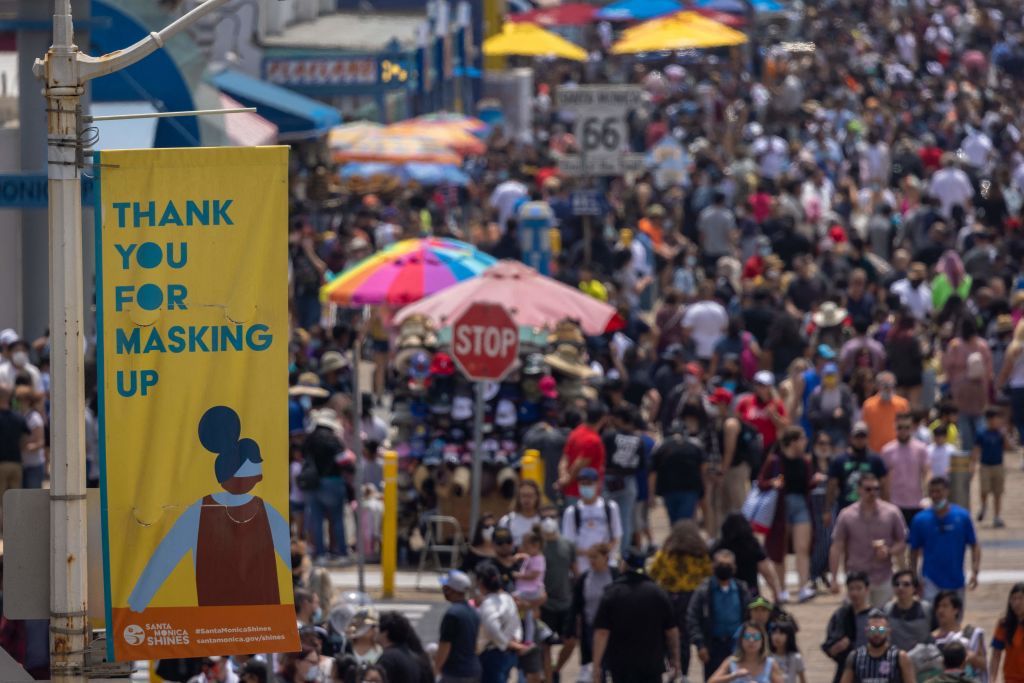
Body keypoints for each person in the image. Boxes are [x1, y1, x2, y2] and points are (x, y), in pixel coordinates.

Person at [591, 549, 681, 683]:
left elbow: (602, 633)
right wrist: (675, 659)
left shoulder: (611, 594)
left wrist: (596, 665)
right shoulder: (658, 593)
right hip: (652, 666)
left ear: (624, 565)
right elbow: (671, 631)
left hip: (621, 667)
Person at [757, 426, 818, 604]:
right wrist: (772, 483)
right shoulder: (775, 461)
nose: (805, 442)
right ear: (792, 442)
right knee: (779, 549)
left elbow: (807, 484)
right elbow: (761, 482)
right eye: (801, 439)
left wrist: (814, 482)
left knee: (802, 547)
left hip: (800, 506)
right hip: (780, 509)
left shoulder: (805, 462)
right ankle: (782, 589)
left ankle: (803, 587)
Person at [830, 472, 907, 607]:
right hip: (856, 578)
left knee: (880, 622)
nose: (872, 493)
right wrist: (834, 579)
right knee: (855, 620)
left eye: (876, 489)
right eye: (868, 489)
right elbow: (837, 546)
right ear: (859, 490)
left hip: (882, 577)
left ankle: (879, 630)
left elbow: (902, 541)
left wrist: (889, 551)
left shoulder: (891, 512)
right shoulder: (847, 515)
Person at [649, 519, 713, 679]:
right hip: (690, 599)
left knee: (665, 636)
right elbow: (709, 575)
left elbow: (652, 573)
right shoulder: (700, 555)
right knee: (684, 639)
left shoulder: (666, 553)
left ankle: (670, 668)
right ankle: (684, 672)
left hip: (667, 598)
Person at [909, 477, 980, 602]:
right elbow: (913, 550)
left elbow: (974, 545)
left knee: (954, 619)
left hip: (956, 580)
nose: (935, 495)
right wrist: (914, 577)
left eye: (938, 491)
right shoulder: (920, 520)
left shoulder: (962, 517)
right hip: (930, 580)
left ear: (947, 491)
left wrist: (975, 571)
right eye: (931, 492)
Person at [687, 549, 753, 680]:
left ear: (734, 568)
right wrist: (700, 644)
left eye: (728, 565)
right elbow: (692, 617)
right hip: (713, 647)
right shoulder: (704, 591)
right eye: (720, 565)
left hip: (737, 646)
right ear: (713, 566)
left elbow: (750, 616)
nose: (724, 569)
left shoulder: (741, 589)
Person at [302, 407, 350, 562]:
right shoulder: (333, 439)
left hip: (312, 483)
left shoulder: (309, 439)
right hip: (332, 482)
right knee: (337, 519)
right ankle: (341, 553)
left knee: (316, 521)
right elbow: (342, 460)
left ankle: (320, 554)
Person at [601, 404, 647, 554]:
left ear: (619, 419)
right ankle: (623, 553)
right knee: (625, 520)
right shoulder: (638, 439)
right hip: (629, 481)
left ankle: (607, 552)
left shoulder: (609, 435)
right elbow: (641, 465)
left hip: (609, 480)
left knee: (605, 518)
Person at [538, 504, 576, 683]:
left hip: (566, 603)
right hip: (545, 605)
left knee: (571, 642)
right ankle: (548, 678)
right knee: (544, 646)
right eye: (545, 517)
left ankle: (555, 669)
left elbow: (576, 573)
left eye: (552, 516)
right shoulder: (538, 546)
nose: (549, 520)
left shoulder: (568, 545)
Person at [712, 513, 784, 604]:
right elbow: (767, 573)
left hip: (723, 595)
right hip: (750, 594)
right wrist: (776, 593)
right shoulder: (753, 546)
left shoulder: (718, 547)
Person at [571, 543, 618, 680]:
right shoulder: (584, 578)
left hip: (614, 629)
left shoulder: (615, 575)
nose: (591, 561)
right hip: (592, 628)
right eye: (589, 557)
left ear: (605, 557)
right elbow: (576, 606)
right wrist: (573, 629)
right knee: (597, 667)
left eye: (595, 557)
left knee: (614, 666)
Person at [561, 467, 622, 573]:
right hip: (583, 568)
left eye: (589, 483)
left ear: (597, 483)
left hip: (607, 566)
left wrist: (601, 554)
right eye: (582, 484)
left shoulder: (610, 507)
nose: (586, 487)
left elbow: (616, 536)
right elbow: (568, 545)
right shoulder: (572, 512)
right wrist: (590, 554)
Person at [475, 563, 529, 683]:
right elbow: (517, 624)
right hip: (508, 654)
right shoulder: (508, 598)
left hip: (493, 654)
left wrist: (507, 643)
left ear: (480, 582)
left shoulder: (488, 603)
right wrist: (516, 639)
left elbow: (492, 628)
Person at [649, 420, 707, 523]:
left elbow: (653, 473)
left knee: (674, 520)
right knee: (684, 520)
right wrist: (703, 490)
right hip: (689, 489)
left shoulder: (661, 447)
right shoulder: (695, 445)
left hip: (669, 489)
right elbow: (703, 469)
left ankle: (679, 537)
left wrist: (651, 494)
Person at [827, 422, 889, 516]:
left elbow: (884, 486)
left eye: (863, 437)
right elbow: (832, 486)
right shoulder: (839, 460)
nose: (860, 440)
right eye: (857, 437)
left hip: (871, 511)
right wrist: (827, 510)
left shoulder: (876, 460)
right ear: (851, 438)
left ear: (867, 438)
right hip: (846, 510)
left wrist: (886, 507)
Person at [822, 572, 875, 683]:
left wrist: (873, 630)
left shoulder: (876, 615)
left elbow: (885, 632)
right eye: (851, 589)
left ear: (867, 589)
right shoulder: (841, 615)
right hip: (845, 670)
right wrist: (837, 647)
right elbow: (829, 645)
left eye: (859, 588)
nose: (855, 593)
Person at [879, 412, 929, 527]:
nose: (903, 431)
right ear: (895, 427)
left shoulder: (921, 449)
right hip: (895, 504)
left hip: (917, 503)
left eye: (907, 427)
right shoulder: (887, 450)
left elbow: (926, 473)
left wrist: (927, 496)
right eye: (900, 427)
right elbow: (883, 480)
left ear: (912, 428)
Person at [839, 609, 916, 683]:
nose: (876, 634)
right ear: (866, 631)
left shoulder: (900, 658)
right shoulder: (855, 657)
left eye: (881, 629)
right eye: (873, 629)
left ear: (888, 631)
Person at [435, 570, 482, 683]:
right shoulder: (473, 612)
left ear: (451, 590)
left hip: (455, 673)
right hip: (473, 670)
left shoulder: (452, 614)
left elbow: (445, 646)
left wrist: (435, 670)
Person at [932, 590, 988, 682]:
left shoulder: (972, 634)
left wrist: (972, 658)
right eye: (938, 606)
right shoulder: (932, 639)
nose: (940, 610)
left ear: (956, 610)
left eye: (945, 606)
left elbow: (983, 664)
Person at [557, 403, 608, 504]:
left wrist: (563, 477)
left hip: (571, 491)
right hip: (585, 496)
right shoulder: (593, 440)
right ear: (603, 419)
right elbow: (579, 465)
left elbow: (565, 458)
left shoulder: (576, 431)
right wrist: (566, 481)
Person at [708, 621, 783, 683]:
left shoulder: (770, 663)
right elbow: (711, 681)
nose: (751, 641)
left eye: (756, 637)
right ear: (741, 640)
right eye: (747, 636)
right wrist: (734, 675)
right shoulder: (731, 661)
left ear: (762, 641)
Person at [737, 371, 790, 453]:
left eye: (763, 385)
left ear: (770, 387)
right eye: (757, 384)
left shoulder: (777, 404)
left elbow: (785, 426)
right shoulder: (746, 401)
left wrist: (773, 415)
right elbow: (737, 419)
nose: (759, 388)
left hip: (768, 448)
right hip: (747, 445)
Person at [376, 611, 434, 683]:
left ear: (385, 633)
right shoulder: (416, 657)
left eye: (377, 628)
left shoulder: (388, 659)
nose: (375, 631)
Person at [883, 570, 933, 653]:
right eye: (897, 584)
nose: (900, 588)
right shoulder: (887, 609)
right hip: (895, 657)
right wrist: (877, 630)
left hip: (922, 660)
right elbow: (880, 629)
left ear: (914, 588)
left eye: (906, 584)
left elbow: (935, 631)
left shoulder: (926, 609)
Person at [973, 407, 1006, 528]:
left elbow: (1007, 447)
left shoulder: (1000, 433)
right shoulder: (981, 432)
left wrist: (1005, 435)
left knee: (998, 492)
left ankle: (997, 516)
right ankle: (983, 506)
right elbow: (976, 449)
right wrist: (973, 464)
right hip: (985, 465)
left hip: (998, 465)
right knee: (984, 490)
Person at [861, 373, 910, 454]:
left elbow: (907, 429)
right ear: (878, 386)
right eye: (885, 385)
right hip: (875, 452)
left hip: (897, 453)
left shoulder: (902, 404)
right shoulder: (868, 405)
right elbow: (865, 429)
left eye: (891, 385)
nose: (888, 388)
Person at [0, 386, 29, 520]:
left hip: (1, 464)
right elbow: (26, 437)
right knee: (14, 501)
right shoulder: (18, 417)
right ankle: (13, 529)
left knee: (1, 501)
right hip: (16, 463)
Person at [990, 583, 1024, 683]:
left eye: (1021, 598)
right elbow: (996, 655)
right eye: (1013, 599)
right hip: (1010, 678)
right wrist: (992, 679)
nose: (1017, 603)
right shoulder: (1004, 625)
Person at [499, 480, 543, 547]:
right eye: (523, 495)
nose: (527, 499)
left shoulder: (543, 520)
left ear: (537, 497)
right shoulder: (507, 521)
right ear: (518, 497)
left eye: (530, 495)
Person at [770, 618, 807, 683]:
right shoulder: (768, 658)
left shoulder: (796, 658)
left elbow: (802, 680)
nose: (777, 636)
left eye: (781, 633)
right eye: (774, 633)